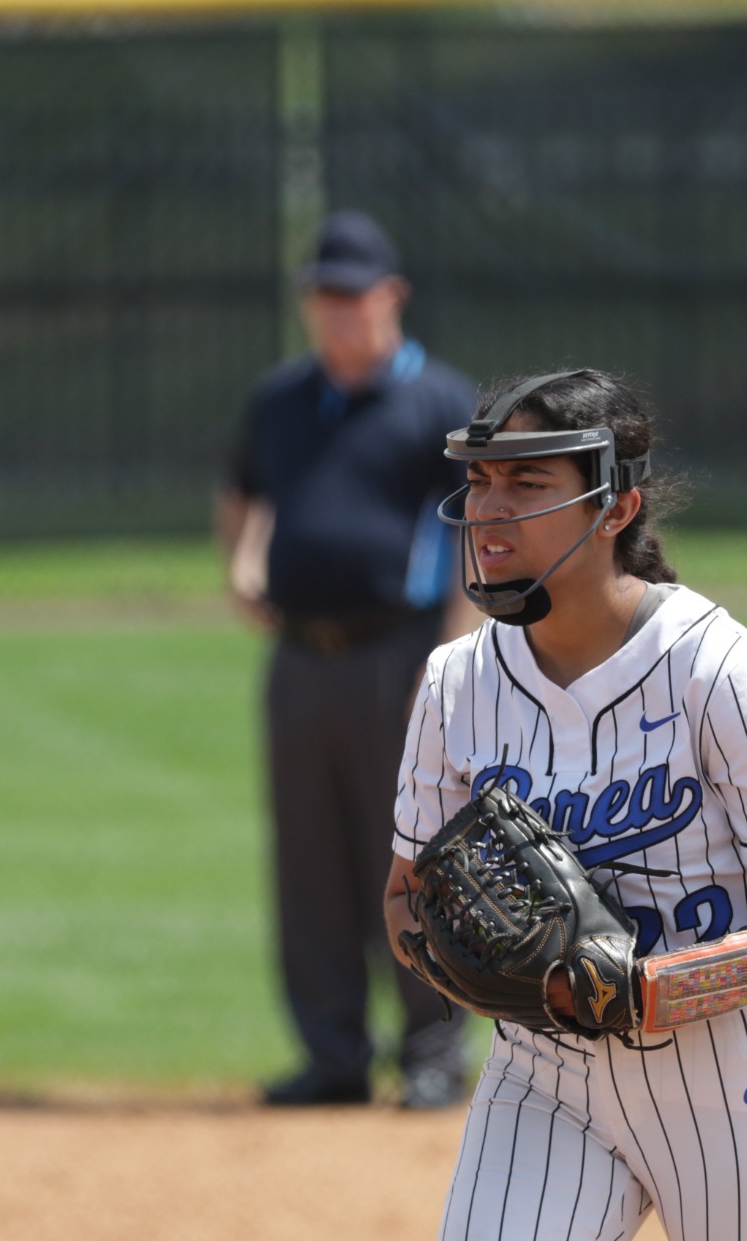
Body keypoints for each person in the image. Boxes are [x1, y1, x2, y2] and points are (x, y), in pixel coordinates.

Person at [384, 369, 747, 1239]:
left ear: (615, 508)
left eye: (527, 484)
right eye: (481, 480)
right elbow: (403, 897)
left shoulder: (725, 672)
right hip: (541, 1085)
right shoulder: (457, 681)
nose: (490, 509)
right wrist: (451, 956)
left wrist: (653, 990)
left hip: (735, 1092)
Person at [218, 210, 479, 1110]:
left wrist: (450, 657)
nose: (337, 312)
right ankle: (333, 1053)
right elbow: (243, 490)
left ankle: (433, 1050)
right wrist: (242, 566)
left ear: (392, 296)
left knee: (415, 851)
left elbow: (483, 535)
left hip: (401, 652)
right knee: (310, 857)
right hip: (301, 656)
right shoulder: (282, 399)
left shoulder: (440, 401)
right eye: (323, 296)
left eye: (352, 295)